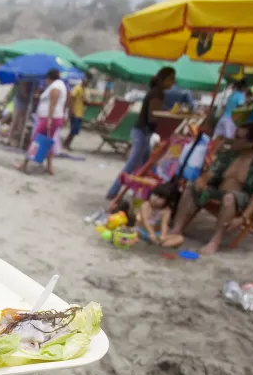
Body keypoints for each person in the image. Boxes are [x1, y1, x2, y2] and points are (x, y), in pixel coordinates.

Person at [170, 122, 253, 255]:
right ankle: (177, 229)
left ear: (252, 142)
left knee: (230, 197)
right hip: (219, 191)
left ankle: (215, 241)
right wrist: (202, 180)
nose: (233, 139)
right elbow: (212, 171)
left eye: (238, 137)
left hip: (242, 198)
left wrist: (244, 217)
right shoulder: (229, 153)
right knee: (191, 187)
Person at [105, 67, 176, 200]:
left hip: (143, 131)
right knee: (132, 164)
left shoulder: (156, 92)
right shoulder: (157, 93)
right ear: (164, 79)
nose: (173, 82)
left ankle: (143, 193)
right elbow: (152, 116)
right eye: (171, 78)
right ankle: (113, 192)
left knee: (146, 165)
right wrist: (168, 115)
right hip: (143, 132)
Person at [17, 68, 67, 175]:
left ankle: (24, 164)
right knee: (47, 141)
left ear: (49, 78)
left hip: (50, 118)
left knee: (36, 140)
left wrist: (49, 119)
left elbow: (53, 103)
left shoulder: (56, 87)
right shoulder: (59, 85)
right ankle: (49, 166)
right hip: (52, 117)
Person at [137, 182, 184, 248]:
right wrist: (151, 234)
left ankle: (160, 245)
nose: (155, 198)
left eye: (160, 197)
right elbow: (145, 221)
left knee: (180, 238)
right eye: (154, 194)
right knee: (133, 232)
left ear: (167, 201)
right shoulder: (146, 205)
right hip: (142, 232)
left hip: (157, 234)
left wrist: (163, 236)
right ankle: (156, 243)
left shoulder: (166, 210)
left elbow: (164, 224)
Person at [63, 74, 90, 151]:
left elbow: (84, 101)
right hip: (75, 112)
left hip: (80, 112)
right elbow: (71, 98)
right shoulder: (77, 88)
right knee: (73, 129)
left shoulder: (85, 90)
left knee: (75, 130)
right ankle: (66, 143)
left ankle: (67, 143)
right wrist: (71, 110)